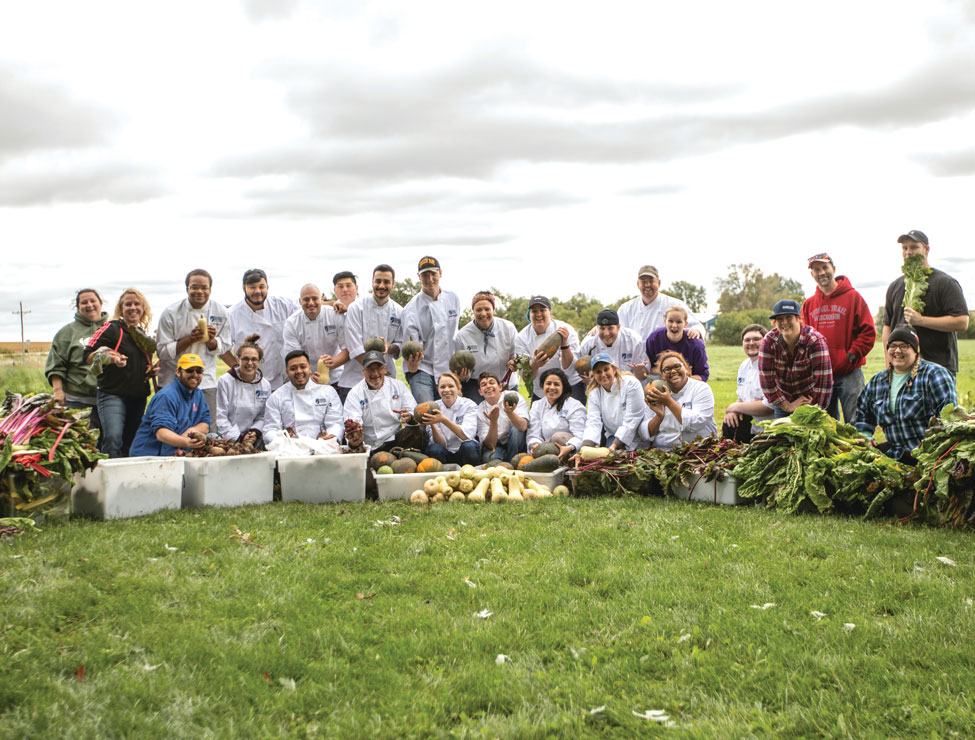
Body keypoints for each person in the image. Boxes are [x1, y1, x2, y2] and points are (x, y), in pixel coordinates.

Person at [854, 327, 956, 464]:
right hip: (895, 454)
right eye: (893, 346)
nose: (897, 351)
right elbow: (863, 414)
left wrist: (933, 453)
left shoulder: (934, 375)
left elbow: (949, 419)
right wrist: (865, 435)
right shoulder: (877, 381)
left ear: (916, 350)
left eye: (904, 346)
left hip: (929, 456)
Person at [801, 252, 876, 423]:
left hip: (850, 372)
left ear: (833, 269)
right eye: (816, 270)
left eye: (825, 268)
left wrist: (851, 355)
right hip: (821, 375)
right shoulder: (809, 304)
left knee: (856, 420)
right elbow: (804, 337)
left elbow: (868, 332)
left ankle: (859, 442)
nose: (821, 273)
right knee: (825, 423)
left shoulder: (853, 297)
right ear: (812, 274)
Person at [883, 229, 969, 376]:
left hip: (938, 369)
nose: (908, 252)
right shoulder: (894, 286)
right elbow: (887, 327)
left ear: (927, 249)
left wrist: (921, 320)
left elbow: (962, 322)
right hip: (902, 370)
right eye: (905, 248)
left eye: (914, 247)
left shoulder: (945, 283)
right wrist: (889, 366)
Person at [84, 289, 156, 458]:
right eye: (128, 304)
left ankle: (126, 474)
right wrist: (110, 357)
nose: (133, 308)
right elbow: (87, 355)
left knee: (131, 441)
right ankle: (108, 472)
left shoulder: (143, 334)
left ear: (143, 308)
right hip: (112, 393)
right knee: (113, 438)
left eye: (137, 304)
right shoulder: (111, 328)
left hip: (137, 397)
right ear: (121, 309)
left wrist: (150, 371)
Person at [156, 268, 232, 414]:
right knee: (170, 423)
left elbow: (225, 345)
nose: (199, 291)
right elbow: (162, 352)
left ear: (210, 290)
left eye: (204, 288)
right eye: (194, 287)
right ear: (187, 289)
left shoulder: (221, 312)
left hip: (205, 380)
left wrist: (210, 341)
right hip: (172, 380)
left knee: (207, 424)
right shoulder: (171, 313)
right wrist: (191, 339)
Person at [45, 288, 108, 429]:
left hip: (109, 401)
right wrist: (58, 391)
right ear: (78, 307)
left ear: (100, 303)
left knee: (112, 439)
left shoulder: (113, 328)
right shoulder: (67, 333)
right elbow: (56, 365)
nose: (89, 305)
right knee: (85, 438)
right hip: (77, 401)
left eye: (93, 301)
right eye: (84, 302)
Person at [758, 299, 833, 418]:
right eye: (780, 319)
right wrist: (786, 406)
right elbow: (766, 379)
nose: (784, 323)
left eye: (789, 317)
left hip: (810, 400)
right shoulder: (769, 342)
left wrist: (813, 410)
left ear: (798, 318)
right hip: (784, 399)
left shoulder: (815, 341)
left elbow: (823, 381)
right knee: (783, 430)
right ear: (775, 322)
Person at [401, 256, 460, 403]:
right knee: (427, 410)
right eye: (425, 275)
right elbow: (413, 347)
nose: (430, 279)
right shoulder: (410, 310)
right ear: (419, 276)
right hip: (422, 367)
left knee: (450, 410)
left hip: (448, 366)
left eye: (433, 273)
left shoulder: (453, 298)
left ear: (440, 273)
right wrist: (413, 366)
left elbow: (454, 333)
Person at [227, 269, 298, 390]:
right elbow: (223, 349)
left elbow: (309, 306)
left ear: (267, 287)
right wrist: (241, 371)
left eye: (261, 286)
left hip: (283, 380)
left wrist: (332, 305)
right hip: (250, 382)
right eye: (252, 287)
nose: (257, 291)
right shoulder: (232, 314)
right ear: (244, 288)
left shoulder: (282, 305)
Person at [129, 354, 211, 456]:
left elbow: (205, 424)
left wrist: (191, 431)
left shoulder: (198, 394)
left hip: (174, 454)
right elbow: (161, 434)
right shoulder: (167, 396)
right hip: (149, 455)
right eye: (189, 370)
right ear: (178, 372)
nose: (195, 375)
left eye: (199, 371)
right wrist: (185, 442)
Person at [282, 284, 350, 399]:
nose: (311, 303)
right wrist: (307, 378)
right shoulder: (292, 323)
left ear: (321, 299)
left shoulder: (335, 315)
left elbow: (348, 348)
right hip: (306, 378)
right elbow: (293, 357)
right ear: (300, 301)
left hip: (336, 377)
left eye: (314, 298)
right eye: (306, 299)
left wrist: (333, 362)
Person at [343, 350, 418, 452]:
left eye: (379, 368)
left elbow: (413, 412)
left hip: (396, 439)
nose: (375, 373)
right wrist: (355, 438)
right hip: (372, 445)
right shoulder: (355, 394)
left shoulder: (398, 386)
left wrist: (410, 418)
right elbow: (353, 422)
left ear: (385, 369)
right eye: (370, 369)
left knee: (417, 432)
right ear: (363, 371)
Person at [513, 296, 585, 402]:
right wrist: (536, 365)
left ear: (550, 313)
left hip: (570, 386)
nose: (538, 314)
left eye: (542, 310)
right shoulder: (521, 338)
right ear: (529, 314)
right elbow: (526, 377)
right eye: (534, 311)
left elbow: (570, 369)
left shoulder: (566, 329)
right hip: (541, 389)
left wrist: (564, 344)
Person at [263, 350, 343, 443]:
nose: (299, 371)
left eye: (303, 367)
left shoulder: (328, 392)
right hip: (289, 447)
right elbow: (270, 429)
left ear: (309, 368)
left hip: (322, 446)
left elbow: (335, 423)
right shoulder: (276, 397)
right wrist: (282, 440)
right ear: (287, 372)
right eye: (293, 368)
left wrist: (331, 436)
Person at [453, 291, 519, 403]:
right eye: (478, 310)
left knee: (509, 412)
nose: (483, 314)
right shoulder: (462, 335)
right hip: (475, 384)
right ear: (473, 311)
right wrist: (463, 376)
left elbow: (517, 354)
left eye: (487, 309)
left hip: (504, 381)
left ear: (493, 309)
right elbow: (459, 366)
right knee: (476, 413)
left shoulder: (508, 327)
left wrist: (514, 363)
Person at [642, 350, 716, 449]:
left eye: (677, 366)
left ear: (686, 368)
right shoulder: (656, 392)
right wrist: (659, 416)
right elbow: (645, 434)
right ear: (662, 375)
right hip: (664, 450)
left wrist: (669, 402)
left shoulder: (701, 388)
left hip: (699, 449)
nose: (673, 371)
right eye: (667, 369)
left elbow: (696, 423)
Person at [343, 264, 403, 379]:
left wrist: (389, 347)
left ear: (393, 284)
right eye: (378, 281)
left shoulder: (399, 312)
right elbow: (354, 346)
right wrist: (376, 370)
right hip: (356, 377)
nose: (381, 286)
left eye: (386, 282)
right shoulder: (356, 308)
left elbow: (399, 346)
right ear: (372, 282)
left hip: (387, 376)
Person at [617, 265, 704, 340]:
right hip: (635, 355)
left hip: (666, 354)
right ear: (638, 284)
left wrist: (696, 331)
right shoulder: (625, 309)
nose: (647, 285)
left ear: (659, 283)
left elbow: (696, 326)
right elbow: (618, 336)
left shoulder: (675, 304)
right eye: (643, 282)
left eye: (651, 281)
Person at [215, 333, 271, 448]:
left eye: (254, 359)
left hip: (252, 439)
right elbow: (220, 417)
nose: (250, 363)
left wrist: (254, 432)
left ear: (259, 361)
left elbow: (263, 416)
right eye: (245, 359)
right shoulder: (224, 382)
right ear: (238, 359)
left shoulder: (265, 385)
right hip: (226, 438)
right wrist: (238, 438)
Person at [582, 353, 647, 452]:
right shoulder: (594, 393)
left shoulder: (631, 383)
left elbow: (633, 419)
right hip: (613, 437)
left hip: (638, 438)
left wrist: (614, 445)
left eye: (606, 369)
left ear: (614, 369)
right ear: (594, 375)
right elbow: (593, 422)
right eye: (598, 372)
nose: (603, 374)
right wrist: (585, 447)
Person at [722, 324, 773, 443]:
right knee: (728, 424)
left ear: (765, 342)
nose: (751, 343)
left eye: (756, 339)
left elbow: (769, 406)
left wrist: (734, 407)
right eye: (747, 340)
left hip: (767, 430)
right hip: (748, 424)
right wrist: (732, 411)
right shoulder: (744, 365)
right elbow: (741, 398)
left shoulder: (771, 366)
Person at [419, 372, 481, 466]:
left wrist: (443, 419)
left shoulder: (469, 405)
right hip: (445, 452)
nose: (447, 390)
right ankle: (439, 472)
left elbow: (466, 436)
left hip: (464, 451)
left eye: (451, 386)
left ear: (458, 388)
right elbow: (440, 444)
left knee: (469, 446)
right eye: (442, 387)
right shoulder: (433, 407)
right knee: (434, 449)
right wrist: (432, 423)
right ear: (438, 390)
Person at [526, 368, 586, 461]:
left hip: (568, 450)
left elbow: (580, 435)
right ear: (543, 386)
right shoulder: (537, 405)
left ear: (563, 387)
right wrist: (536, 445)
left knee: (557, 437)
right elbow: (533, 433)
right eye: (548, 383)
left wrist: (570, 447)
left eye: (556, 384)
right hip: (545, 450)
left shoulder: (574, 406)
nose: (552, 387)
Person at [578, 308, 648, 385]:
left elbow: (643, 376)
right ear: (597, 328)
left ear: (618, 327)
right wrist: (589, 381)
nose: (606, 333)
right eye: (602, 328)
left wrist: (638, 371)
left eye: (610, 328)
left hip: (629, 386)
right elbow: (582, 375)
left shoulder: (634, 340)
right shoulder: (587, 344)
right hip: (600, 387)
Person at [475, 372, 528, 463]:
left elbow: (523, 426)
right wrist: (493, 422)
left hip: (516, 441)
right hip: (497, 445)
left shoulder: (513, 396)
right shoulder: (480, 410)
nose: (488, 386)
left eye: (492, 383)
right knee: (490, 459)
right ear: (480, 392)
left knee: (516, 430)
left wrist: (510, 413)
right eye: (484, 384)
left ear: (500, 387)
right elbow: (490, 445)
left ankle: (513, 462)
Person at [645, 306, 709, 381]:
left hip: (689, 383)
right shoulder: (654, 339)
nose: (674, 325)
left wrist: (681, 378)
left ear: (685, 324)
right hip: (662, 382)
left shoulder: (695, 344)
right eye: (670, 321)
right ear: (665, 322)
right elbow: (648, 368)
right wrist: (665, 370)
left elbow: (703, 375)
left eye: (679, 322)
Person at [329, 271, 361, 402]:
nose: (345, 290)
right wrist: (331, 303)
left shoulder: (364, 307)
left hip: (367, 372)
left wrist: (348, 310)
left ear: (356, 288)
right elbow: (313, 304)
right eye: (340, 286)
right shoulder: (331, 312)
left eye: (348, 285)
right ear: (335, 290)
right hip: (342, 377)